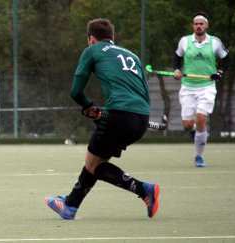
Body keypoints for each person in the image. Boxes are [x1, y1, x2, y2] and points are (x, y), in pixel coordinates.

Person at [45, 18, 159, 220]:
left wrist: (88, 106)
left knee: (94, 164)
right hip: (141, 118)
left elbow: (75, 91)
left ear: (91, 38)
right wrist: (106, 113)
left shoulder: (92, 50)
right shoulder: (132, 55)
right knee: (97, 161)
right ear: (112, 37)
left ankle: (144, 190)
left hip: (120, 115)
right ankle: (70, 206)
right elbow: (141, 94)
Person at [173, 11, 230, 168]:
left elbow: (226, 60)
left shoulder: (215, 42)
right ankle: (197, 134)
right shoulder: (185, 41)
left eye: (201, 23)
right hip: (187, 87)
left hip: (207, 87)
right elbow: (176, 58)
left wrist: (219, 72)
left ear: (206, 25)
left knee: (200, 119)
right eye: (196, 24)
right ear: (193, 26)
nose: (198, 26)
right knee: (187, 125)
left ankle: (199, 156)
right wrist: (176, 70)